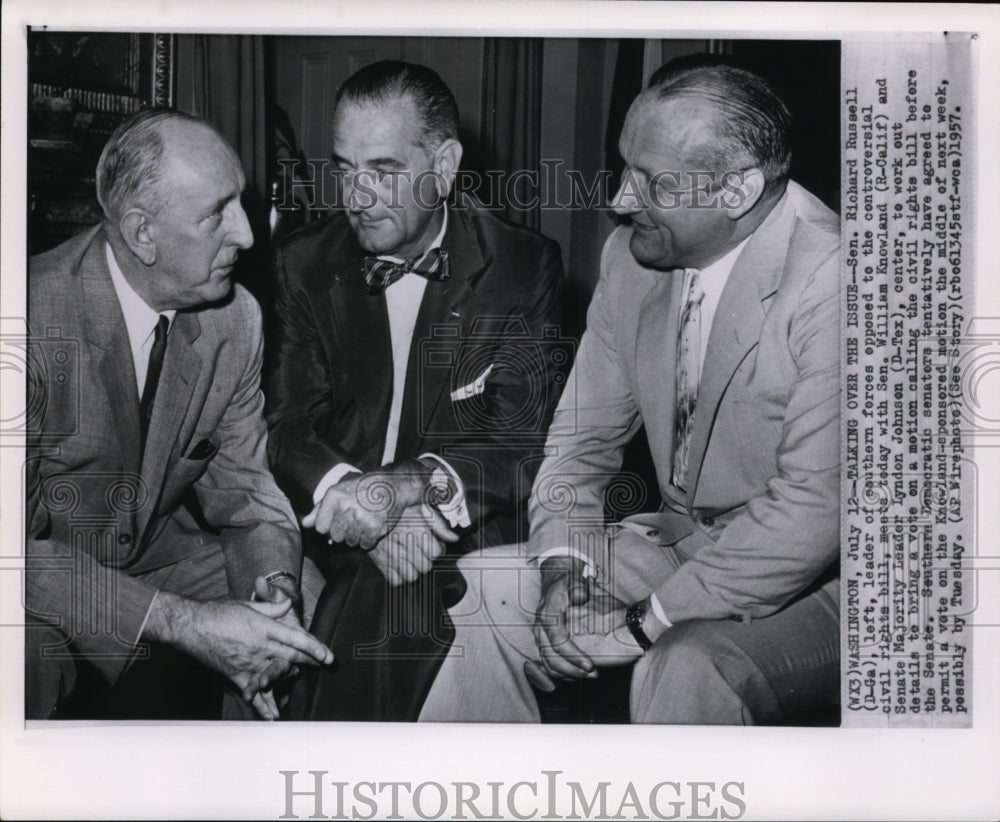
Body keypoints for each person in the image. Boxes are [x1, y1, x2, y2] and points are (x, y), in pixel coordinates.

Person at [420, 59, 841, 724]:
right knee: (494, 593)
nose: (618, 199)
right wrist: (565, 567)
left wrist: (642, 623)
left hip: (839, 579)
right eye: (624, 167)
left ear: (738, 190)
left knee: (684, 665)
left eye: (652, 182)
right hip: (691, 541)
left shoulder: (837, 281)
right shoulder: (630, 259)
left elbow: (812, 514)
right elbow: (580, 442)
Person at [266, 60, 566, 721]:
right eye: (345, 168)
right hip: (339, 523)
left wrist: (403, 487)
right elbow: (288, 426)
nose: (358, 196)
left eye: (384, 169)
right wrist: (362, 505)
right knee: (381, 594)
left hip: (468, 522)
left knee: (393, 604)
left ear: (446, 164)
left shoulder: (520, 265)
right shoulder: (303, 262)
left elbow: (520, 440)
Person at [25, 109, 333, 721]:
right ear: (142, 234)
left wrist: (277, 590)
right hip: (34, 571)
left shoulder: (233, 319)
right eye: (218, 212)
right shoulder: (26, 324)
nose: (247, 235)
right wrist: (184, 623)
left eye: (240, 204)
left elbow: (247, 492)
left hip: (155, 552)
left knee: (310, 615)